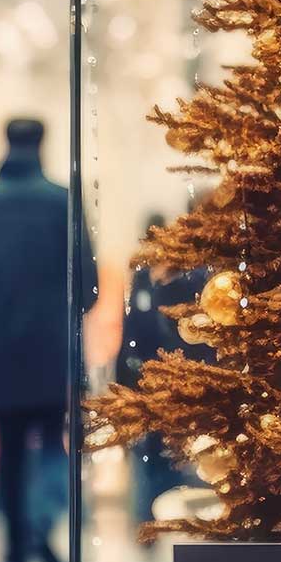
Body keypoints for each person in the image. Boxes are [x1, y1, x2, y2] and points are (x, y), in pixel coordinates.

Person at [0, 117, 97, 562]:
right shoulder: (62, 202)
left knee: (11, 443)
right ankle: (42, 523)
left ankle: (15, 542)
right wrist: (65, 318)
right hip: (54, 344)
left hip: (1, 344)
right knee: (56, 438)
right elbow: (89, 282)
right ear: (43, 143)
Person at [113, 214, 207, 522]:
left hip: (177, 376)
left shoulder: (184, 282)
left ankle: (172, 514)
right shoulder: (142, 282)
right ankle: (148, 518)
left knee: (175, 450)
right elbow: (131, 333)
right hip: (149, 379)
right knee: (151, 450)